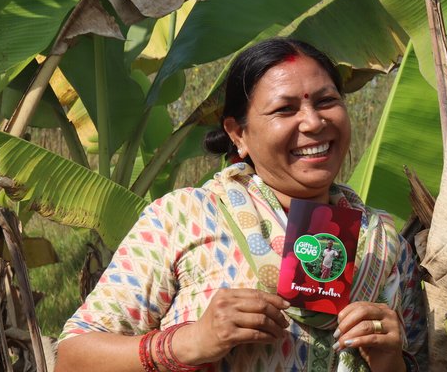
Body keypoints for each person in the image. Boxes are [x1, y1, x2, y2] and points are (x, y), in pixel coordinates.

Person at [55, 38, 426, 371]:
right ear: (238, 133)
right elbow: (71, 358)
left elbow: (419, 362)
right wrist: (191, 342)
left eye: (327, 101)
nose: (313, 122)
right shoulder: (185, 216)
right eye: (285, 109)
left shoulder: (383, 241)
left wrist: (389, 360)